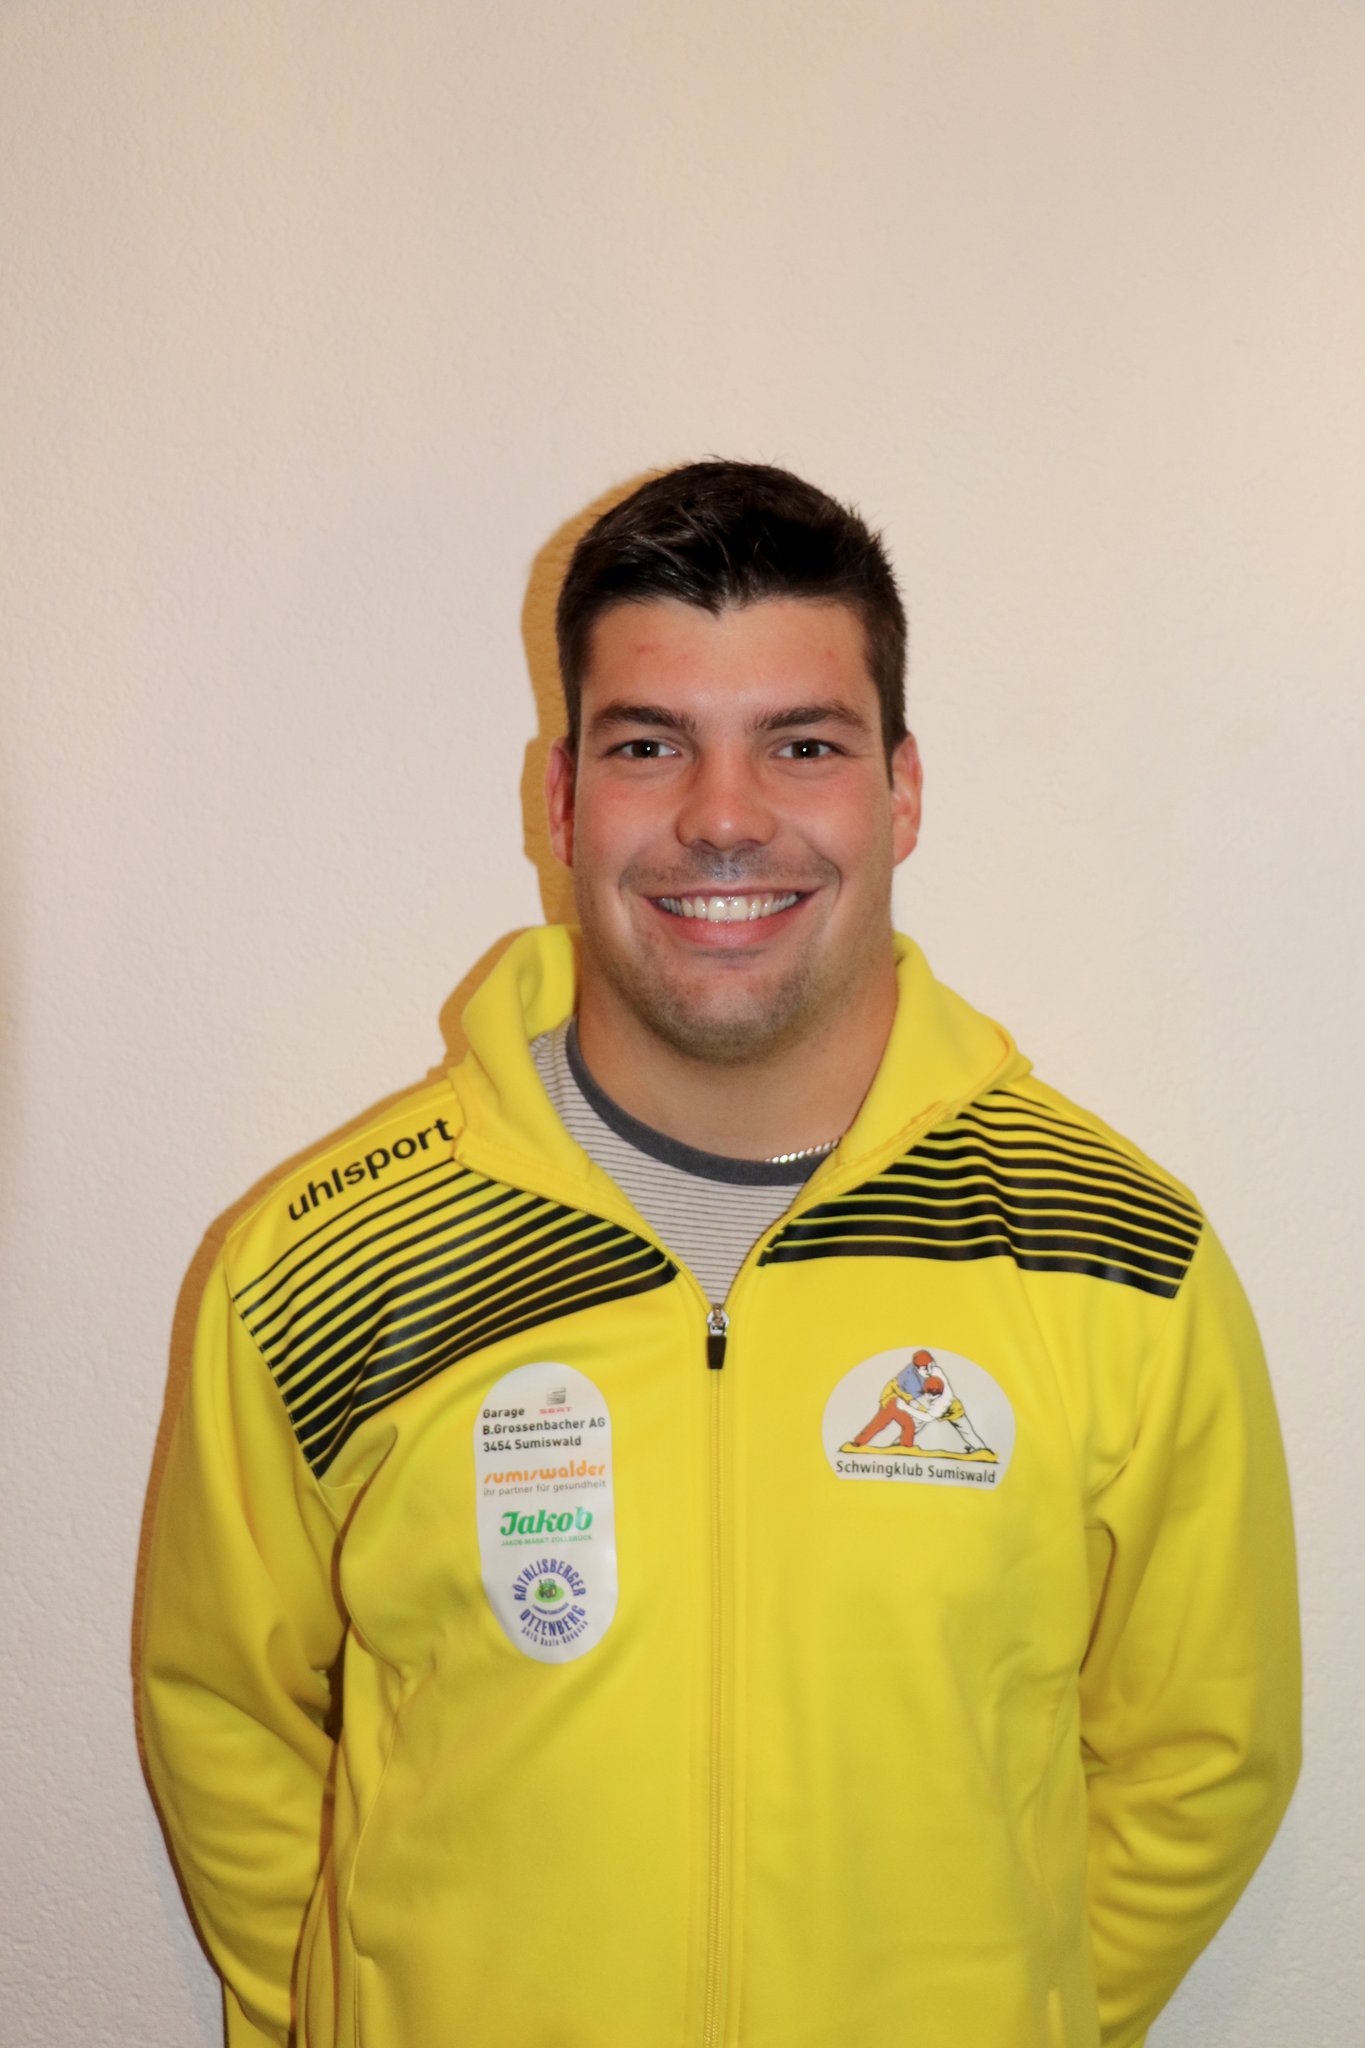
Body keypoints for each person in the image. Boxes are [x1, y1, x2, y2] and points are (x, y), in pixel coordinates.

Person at [139, 460, 1300, 2048]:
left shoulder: (1113, 1260)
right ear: (559, 799)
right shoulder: (327, 1263)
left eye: (801, 744)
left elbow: (1200, 1754)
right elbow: (226, 1716)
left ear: (899, 791)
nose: (724, 817)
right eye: (648, 745)